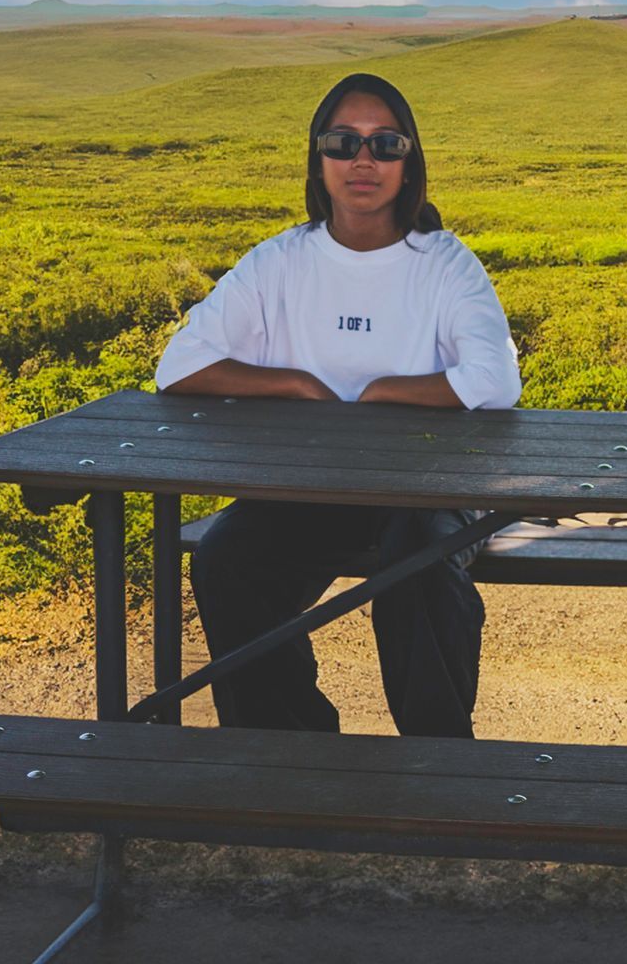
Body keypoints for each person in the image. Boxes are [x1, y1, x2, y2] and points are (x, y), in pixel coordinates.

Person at [155, 72, 521, 738]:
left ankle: (436, 757)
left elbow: (495, 381)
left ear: (409, 164)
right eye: (342, 142)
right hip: (315, 488)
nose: (363, 160)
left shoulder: (443, 263)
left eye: (385, 144)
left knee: (418, 558)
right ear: (317, 160)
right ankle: (289, 754)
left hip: (431, 487)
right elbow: (180, 366)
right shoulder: (279, 263)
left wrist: (384, 394)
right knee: (227, 559)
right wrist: (294, 382)